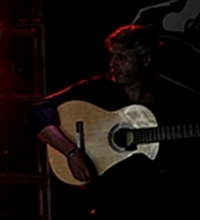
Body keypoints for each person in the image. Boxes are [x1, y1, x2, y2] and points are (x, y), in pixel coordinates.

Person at [27, 24, 199, 219]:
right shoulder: (98, 90)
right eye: (113, 57)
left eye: (122, 58)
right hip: (108, 209)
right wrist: (72, 152)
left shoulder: (174, 102)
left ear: (145, 60)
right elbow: (38, 112)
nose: (112, 64)